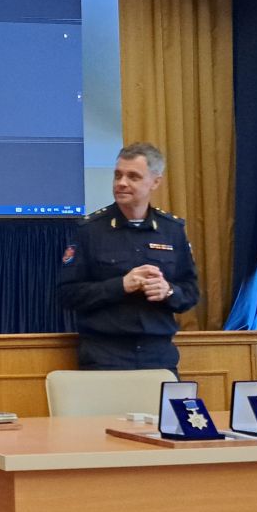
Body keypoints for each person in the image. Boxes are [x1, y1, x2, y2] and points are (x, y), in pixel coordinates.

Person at [56, 142, 199, 376]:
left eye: (133, 176)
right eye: (118, 175)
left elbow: (191, 293)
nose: (122, 183)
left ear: (155, 182)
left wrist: (168, 291)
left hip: (158, 356)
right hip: (104, 356)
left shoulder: (172, 230)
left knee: (163, 414)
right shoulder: (90, 230)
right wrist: (120, 286)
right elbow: (67, 294)